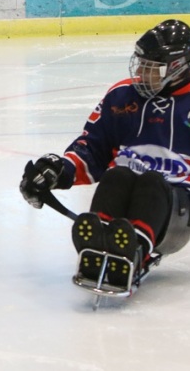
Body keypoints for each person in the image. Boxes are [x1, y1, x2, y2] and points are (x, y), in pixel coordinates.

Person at [20, 19, 190, 287]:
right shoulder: (122, 95)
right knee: (116, 176)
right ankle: (97, 246)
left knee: (152, 182)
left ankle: (133, 251)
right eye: (141, 65)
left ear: (178, 67)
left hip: (178, 208)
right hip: (128, 187)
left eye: (152, 68)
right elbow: (93, 149)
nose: (142, 74)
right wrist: (58, 170)